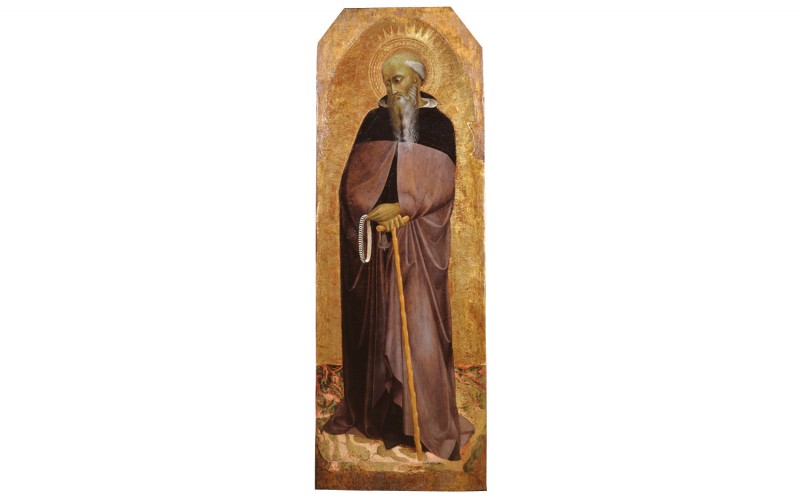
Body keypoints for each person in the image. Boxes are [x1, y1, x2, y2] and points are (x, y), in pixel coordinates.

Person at [323, 52, 473, 461]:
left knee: (419, 332)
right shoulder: (373, 121)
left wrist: (404, 208)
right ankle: (381, 417)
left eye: (399, 80)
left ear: (418, 81)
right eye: (387, 81)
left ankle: (419, 422)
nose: (392, 89)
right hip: (377, 243)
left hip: (417, 245)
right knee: (378, 329)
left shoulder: (439, 125)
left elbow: (442, 185)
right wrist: (373, 209)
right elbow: (352, 182)